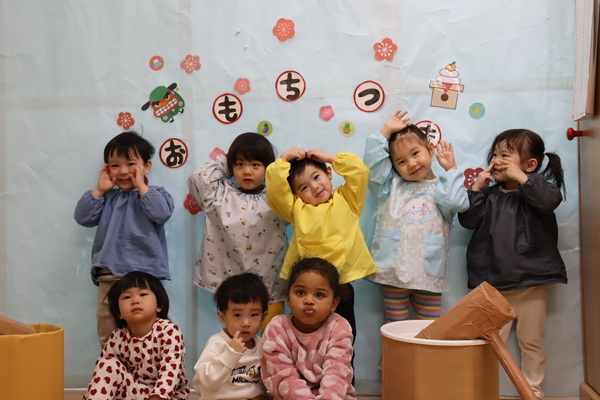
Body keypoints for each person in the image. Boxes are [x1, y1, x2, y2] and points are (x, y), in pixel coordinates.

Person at [458, 128, 567, 399]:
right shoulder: (489, 196)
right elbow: (468, 221)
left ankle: (533, 391)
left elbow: (550, 200)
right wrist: (476, 189)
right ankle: (480, 391)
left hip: (532, 282)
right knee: (488, 344)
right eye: (494, 154)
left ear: (530, 164)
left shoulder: (539, 191)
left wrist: (522, 178)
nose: (496, 160)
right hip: (494, 285)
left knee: (531, 341)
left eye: (505, 155)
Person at [265, 146, 376, 356]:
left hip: (341, 286)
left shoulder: (348, 200)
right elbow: (275, 193)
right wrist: (282, 160)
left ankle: (343, 374)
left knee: (343, 339)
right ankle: (307, 372)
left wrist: (331, 158)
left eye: (316, 177)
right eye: (304, 187)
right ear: (296, 194)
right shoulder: (296, 209)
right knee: (307, 340)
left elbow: (360, 172)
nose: (314, 187)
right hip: (308, 292)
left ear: (328, 173)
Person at [363, 110, 469, 324]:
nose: (411, 164)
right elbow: (373, 168)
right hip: (392, 274)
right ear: (394, 167)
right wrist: (385, 132)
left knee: (428, 330)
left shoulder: (442, 187)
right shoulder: (389, 187)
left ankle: (425, 352)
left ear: (430, 149)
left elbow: (458, 202)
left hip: (428, 276)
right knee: (395, 327)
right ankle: (392, 351)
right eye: (401, 162)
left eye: (415, 153)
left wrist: (451, 170)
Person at [74, 131, 174, 348]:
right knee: (107, 324)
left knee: (148, 327)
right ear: (106, 169)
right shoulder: (106, 198)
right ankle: (110, 363)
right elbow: (83, 217)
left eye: (131, 164)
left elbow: (161, 213)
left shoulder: (155, 194)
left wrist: (142, 186)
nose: (123, 171)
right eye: (115, 165)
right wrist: (99, 189)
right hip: (110, 274)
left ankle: (148, 365)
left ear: (147, 166)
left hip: (145, 276)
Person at [187, 132, 288, 331]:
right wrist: (227, 161)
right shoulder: (219, 195)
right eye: (240, 164)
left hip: (271, 286)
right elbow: (197, 179)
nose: (247, 171)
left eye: (255, 164)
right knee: (237, 340)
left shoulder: (277, 197)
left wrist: (279, 168)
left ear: (267, 168)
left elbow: (299, 194)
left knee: (274, 339)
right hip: (232, 286)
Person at [83, 271, 190, 400]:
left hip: (167, 396)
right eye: (127, 297)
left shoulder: (169, 331)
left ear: (159, 305)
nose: (135, 301)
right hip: (135, 393)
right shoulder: (117, 337)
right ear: (119, 313)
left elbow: (171, 371)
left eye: (143, 294)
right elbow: (102, 375)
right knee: (107, 364)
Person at [261, 258, 356, 400]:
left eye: (319, 295)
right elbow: (283, 377)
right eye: (300, 293)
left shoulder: (339, 327)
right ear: (288, 298)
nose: (309, 300)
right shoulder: (276, 328)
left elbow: (337, 373)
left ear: (334, 304)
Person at [191, 272, 271, 400]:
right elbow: (207, 382)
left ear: (263, 316)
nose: (246, 323)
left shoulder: (262, 346)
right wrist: (231, 353)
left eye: (254, 315)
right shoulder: (217, 343)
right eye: (238, 315)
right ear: (223, 317)